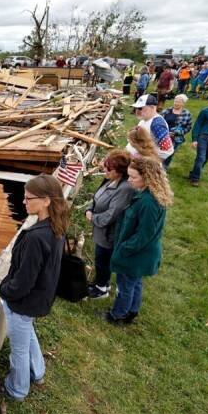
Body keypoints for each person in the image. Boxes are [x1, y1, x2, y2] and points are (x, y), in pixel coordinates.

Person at [0, 175, 68, 401]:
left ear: (46, 201)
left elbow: (23, 282)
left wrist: (4, 290)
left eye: (28, 199)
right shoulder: (55, 227)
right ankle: (37, 372)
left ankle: (16, 389)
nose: (23, 202)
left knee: (18, 349)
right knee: (27, 333)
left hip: (24, 303)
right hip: (40, 298)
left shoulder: (36, 238)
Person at [105, 157, 173, 324]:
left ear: (147, 177)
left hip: (135, 253)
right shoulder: (146, 194)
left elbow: (144, 235)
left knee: (125, 286)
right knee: (134, 282)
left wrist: (123, 249)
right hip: (139, 253)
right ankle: (132, 311)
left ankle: (118, 314)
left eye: (133, 177)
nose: (129, 180)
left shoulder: (148, 203)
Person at [85, 150, 134, 299]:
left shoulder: (125, 188)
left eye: (109, 168)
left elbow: (110, 215)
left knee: (103, 260)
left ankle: (102, 289)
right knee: (100, 259)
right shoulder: (110, 179)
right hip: (100, 231)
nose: (104, 170)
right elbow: (97, 197)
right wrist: (89, 208)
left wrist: (93, 217)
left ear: (120, 171)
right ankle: (100, 282)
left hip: (109, 234)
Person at [133, 94, 174, 163]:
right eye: (136, 108)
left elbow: (167, 149)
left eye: (141, 108)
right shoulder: (145, 118)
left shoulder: (157, 124)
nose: (137, 111)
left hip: (148, 160)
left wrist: (152, 160)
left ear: (152, 107)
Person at [160, 94, 193, 168]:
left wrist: (179, 132)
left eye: (178, 102)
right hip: (162, 135)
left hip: (175, 138)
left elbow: (188, 127)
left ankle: (164, 167)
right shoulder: (167, 111)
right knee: (159, 152)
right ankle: (156, 165)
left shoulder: (186, 114)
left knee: (169, 153)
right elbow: (159, 121)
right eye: (175, 101)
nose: (176, 103)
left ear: (183, 103)